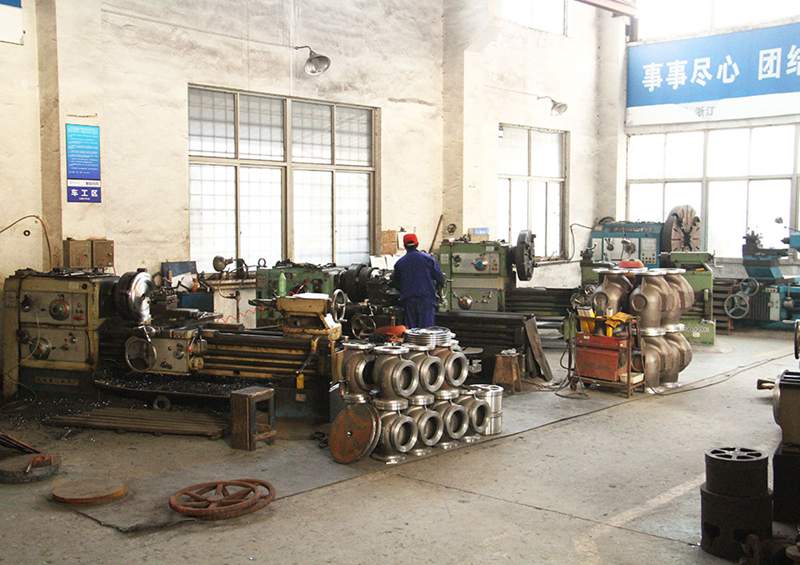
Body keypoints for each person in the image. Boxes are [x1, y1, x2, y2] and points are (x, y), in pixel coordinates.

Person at [391, 233, 445, 328]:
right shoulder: (428, 259)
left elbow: (395, 283)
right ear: (417, 244)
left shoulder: (400, 263)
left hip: (409, 302)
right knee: (426, 331)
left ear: (404, 246)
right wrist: (437, 291)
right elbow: (440, 278)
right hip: (426, 301)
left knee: (412, 332)